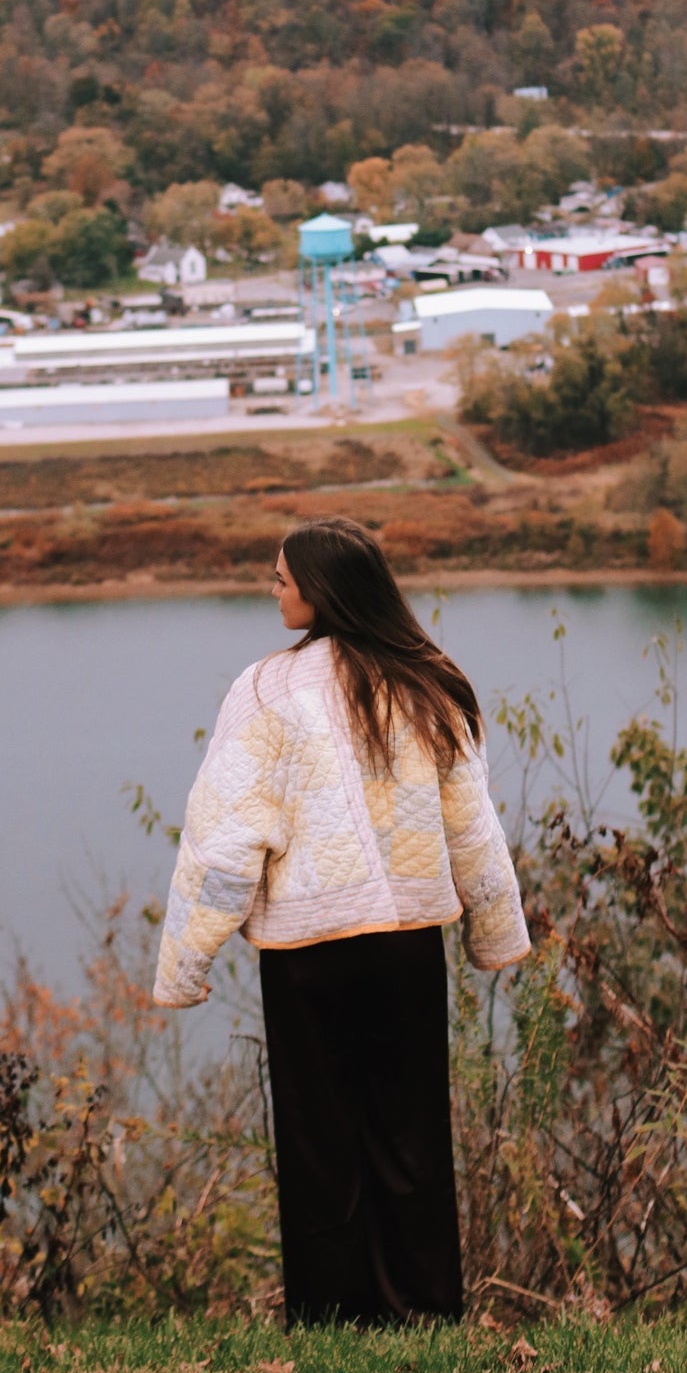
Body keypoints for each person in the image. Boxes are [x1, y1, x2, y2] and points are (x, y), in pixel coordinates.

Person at [153, 515, 531, 1327]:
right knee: (411, 1134)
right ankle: (424, 1312)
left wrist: (184, 962)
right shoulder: (430, 682)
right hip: (404, 946)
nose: (273, 586)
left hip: (307, 953)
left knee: (319, 1139)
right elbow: (473, 827)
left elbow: (223, 838)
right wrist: (494, 933)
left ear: (322, 588)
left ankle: (331, 1317)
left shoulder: (263, 690)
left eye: (282, 576)